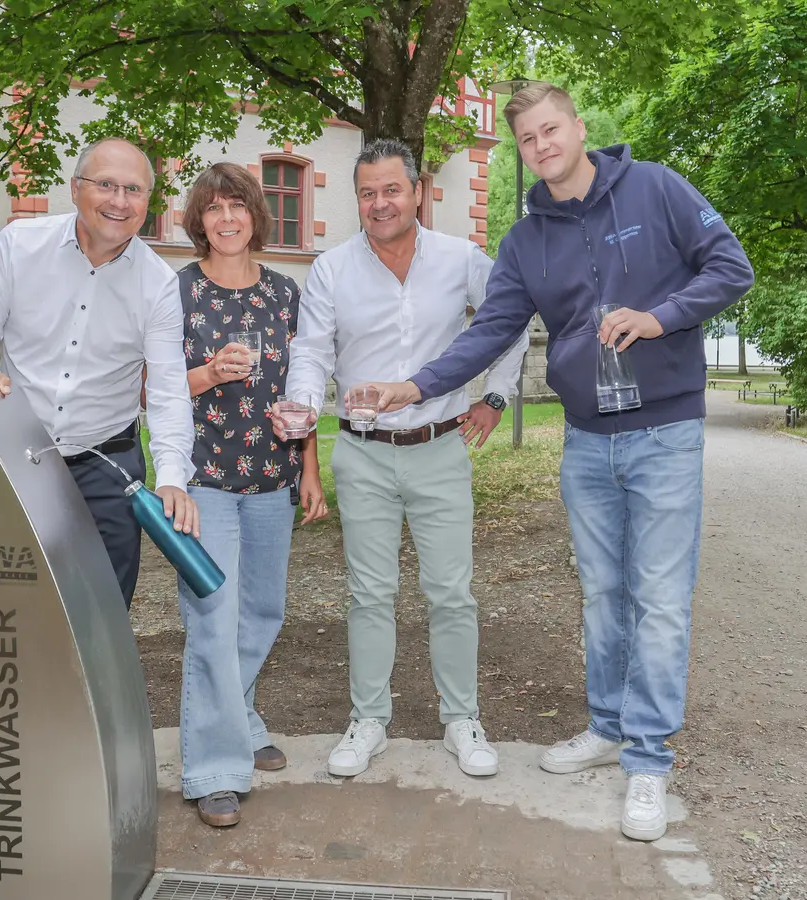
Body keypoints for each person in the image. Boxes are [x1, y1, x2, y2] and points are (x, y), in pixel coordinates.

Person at [364, 82, 754, 842]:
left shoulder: (657, 188)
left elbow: (730, 268)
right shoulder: (524, 240)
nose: (542, 146)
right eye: (527, 140)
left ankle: (648, 758)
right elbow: (490, 334)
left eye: (551, 130)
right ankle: (608, 728)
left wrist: (658, 316)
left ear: (578, 128)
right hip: (586, 440)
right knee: (603, 595)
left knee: (662, 599)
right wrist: (415, 385)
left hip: (666, 432)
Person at [0, 136, 199, 859]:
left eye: (135, 191)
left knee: (98, 635)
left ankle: (89, 795)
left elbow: (170, 387)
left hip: (106, 466)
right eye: (106, 186)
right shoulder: (19, 245)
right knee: (13, 632)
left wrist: (172, 476)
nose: (119, 203)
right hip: (18, 459)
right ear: (76, 186)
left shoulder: (157, 282)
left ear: (151, 203)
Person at [281, 138, 529, 780]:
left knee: (451, 593)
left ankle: (461, 719)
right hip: (362, 455)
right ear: (356, 199)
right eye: (367, 193)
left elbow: (510, 321)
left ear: (416, 191)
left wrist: (495, 397)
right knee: (369, 594)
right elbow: (310, 351)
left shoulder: (461, 259)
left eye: (392, 190)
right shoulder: (333, 269)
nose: (380, 203)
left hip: (439, 447)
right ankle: (368, 720)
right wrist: (302, 407)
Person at [171, 162, 329, 827]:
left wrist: (310, 468)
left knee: (262, 609)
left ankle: (237, 717)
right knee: (213, 616)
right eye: (214, 207)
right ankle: (213, 767)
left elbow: (306, 387)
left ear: (256, 216)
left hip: (273, 480)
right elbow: (150, 393)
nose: (227, 218)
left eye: (238, 206)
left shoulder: (284, 293)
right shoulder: (175, 291)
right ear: (199, 219)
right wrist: (207, 373)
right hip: (204, 481)